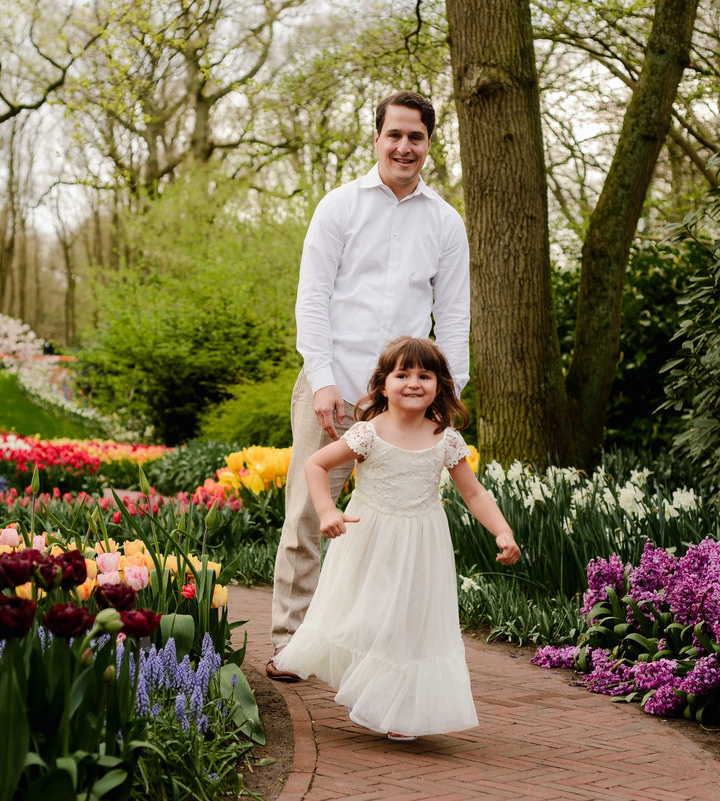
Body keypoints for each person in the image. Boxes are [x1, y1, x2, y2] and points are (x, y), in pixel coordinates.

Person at [268, 90, 471, 681]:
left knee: (392, 526)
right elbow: (313, 299)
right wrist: (325, 382)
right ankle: (290, 638)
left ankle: (371, 651)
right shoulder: (338, 207)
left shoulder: (445, 222)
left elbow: (453, 315)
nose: (404, 147)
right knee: (309, 511)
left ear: (430, 145)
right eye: (395, 135)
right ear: (377, 138)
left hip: (405, 396)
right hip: (332, 382)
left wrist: (445, 397)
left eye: (416, 137)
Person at [271, 336, 520, 742]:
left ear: (440, 385)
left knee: (408, 623)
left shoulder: (445, 438)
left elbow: (473, 492)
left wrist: (502, 530)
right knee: (370, 618)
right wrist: (327, 511)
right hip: (370, 540)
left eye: (425, 375)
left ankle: (400, 709)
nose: (413, 383)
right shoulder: (368, 433)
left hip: (422, 544)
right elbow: (316, 464)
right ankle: (365, 687)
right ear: (383, 384)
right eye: (402, 374)